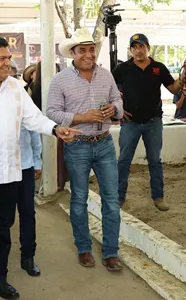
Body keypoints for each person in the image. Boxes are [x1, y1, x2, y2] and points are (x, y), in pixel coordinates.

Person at [0, 37, 80, 300]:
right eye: (2, 59)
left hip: (10, 171)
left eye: (9, 58)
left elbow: (33, 118)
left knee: (4, 226)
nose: (7, 63)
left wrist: (56, 129)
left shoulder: (15, 87)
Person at [46, 28, 124, 272]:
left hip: (104, 143)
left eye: (92, 49)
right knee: (79, 198)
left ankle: (111, 252)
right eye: (83, 50)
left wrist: (114, 108)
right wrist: (83, 117)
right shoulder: (60, 80)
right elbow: (52, 112)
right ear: (72, 53)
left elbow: (118, 100)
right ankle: (83, 248)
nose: (89, 54)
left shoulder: (106, 76)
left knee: (111, 200)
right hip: (77, 144)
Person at [112, 34, 181, 212]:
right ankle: (119, 196)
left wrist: (182, 77)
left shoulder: (158, 68)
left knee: (155, 160)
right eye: (134, 47)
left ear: (148, 48)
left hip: (153, 121)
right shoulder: (122, 69)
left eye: (141, 46)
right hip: (130, 122)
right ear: (130, 50)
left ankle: (158, 197)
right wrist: (118, 110)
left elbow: (173, 88)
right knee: (124, 160)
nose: (138, 51)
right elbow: (109, 89)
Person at [18, 103, 42, 278]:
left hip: (25, 166)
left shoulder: (23, 102)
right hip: (1, 171)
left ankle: (28, 256)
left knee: (27, 213)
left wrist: (37, 162)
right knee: (2, 218)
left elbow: (34, 133)